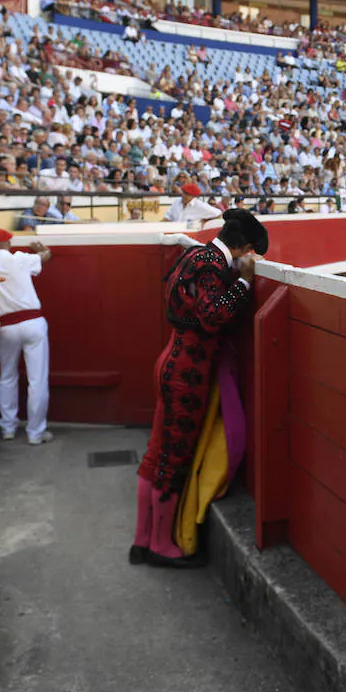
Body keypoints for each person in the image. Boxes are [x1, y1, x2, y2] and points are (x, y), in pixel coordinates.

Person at [131, 209, 267, 567]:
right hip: (188, 370)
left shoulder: (193, 254)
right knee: (173, 457)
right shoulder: (210, 265)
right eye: (250, 250)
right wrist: (244, 283)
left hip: (171, 359)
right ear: (243, 247)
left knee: (156, 453)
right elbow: (213, 316)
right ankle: (161, 545)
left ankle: (141, 540)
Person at [0, 229, 54, 444]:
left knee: (7, 377)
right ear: (9, 243)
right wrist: (41, 248)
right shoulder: (20, 259)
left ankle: (8, 428)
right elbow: (45, 256)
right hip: (34, 323)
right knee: (37, 380)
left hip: (7, 327)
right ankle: (35, 433)